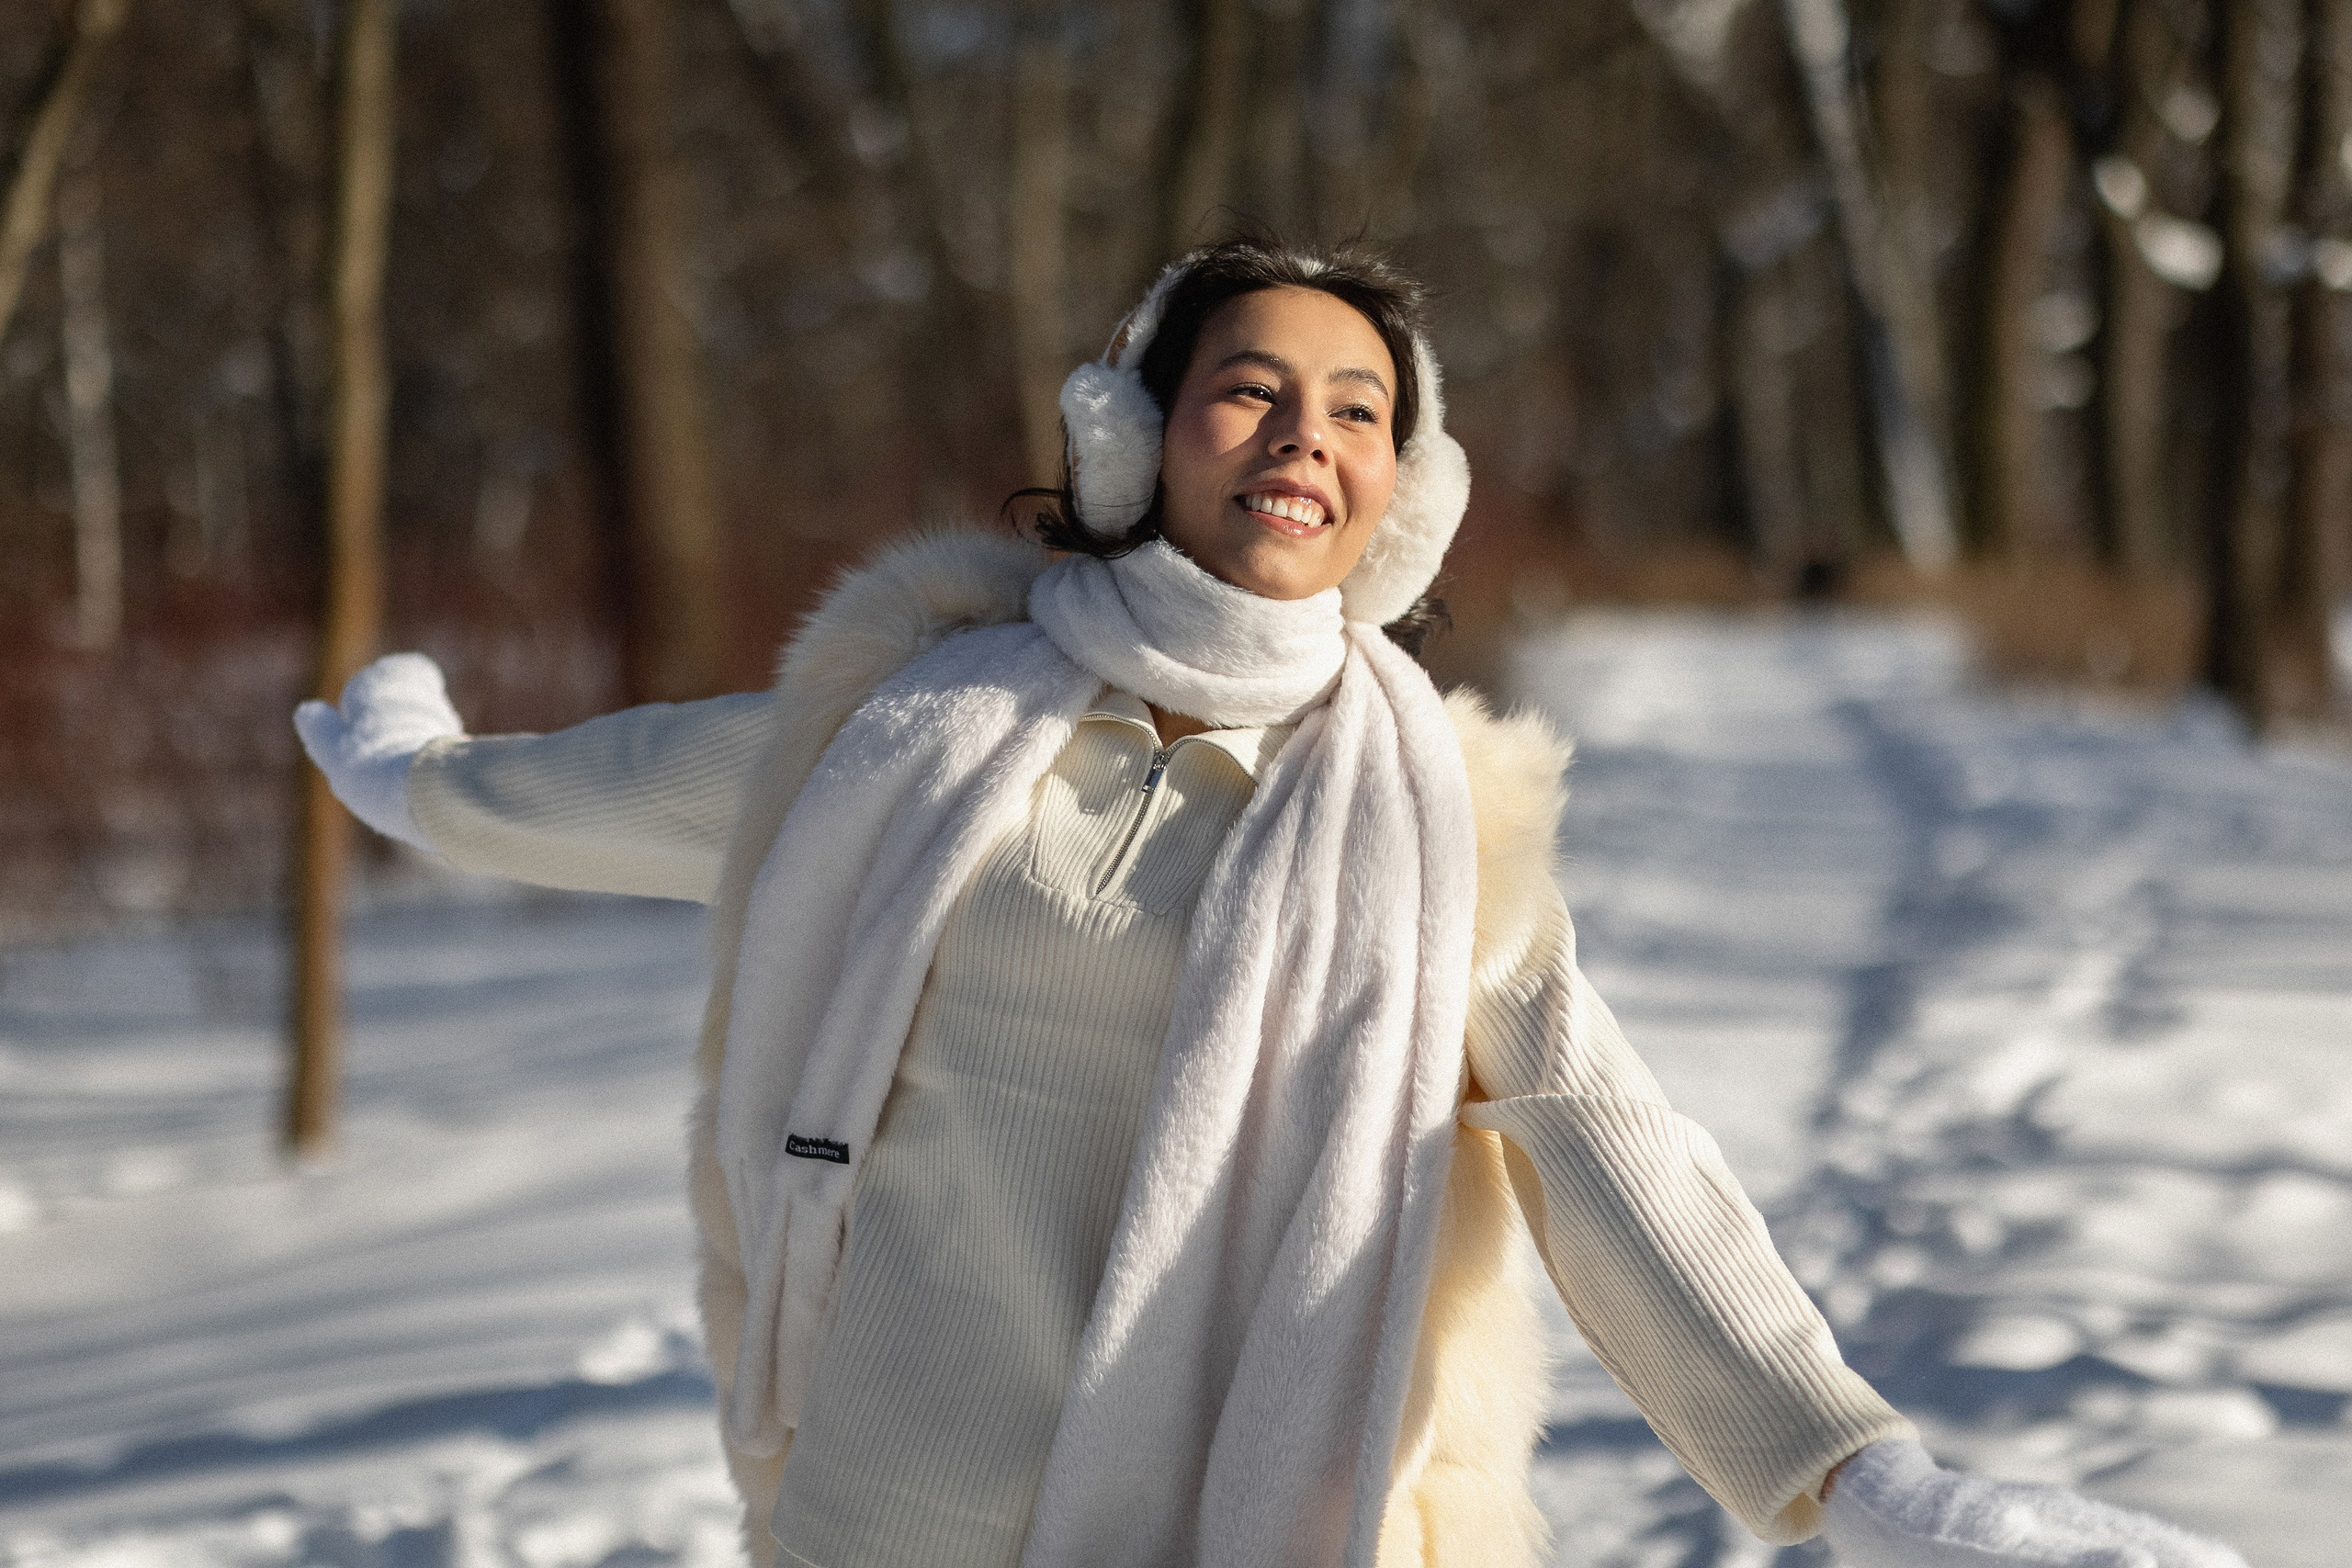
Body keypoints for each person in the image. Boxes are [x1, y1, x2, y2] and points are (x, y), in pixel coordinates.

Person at [298, 237, 2244, 1568]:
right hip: (901, 1508)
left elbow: (1603, 1141)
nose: (1302, 433)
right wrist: (415, 773)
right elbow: (614, 788)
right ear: (1131, 436)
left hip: (1274, 1505)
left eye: (1354, 407)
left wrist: (1853, 1470)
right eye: (1246, 389)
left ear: (1398, 489)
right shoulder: (908, 733)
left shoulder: (1431, 821)